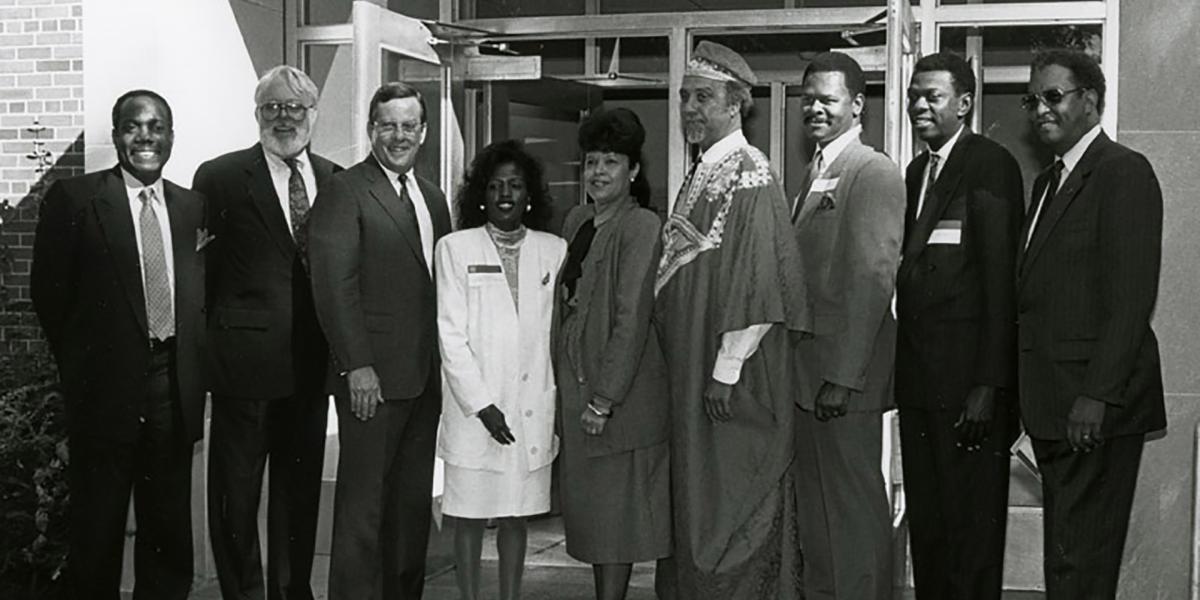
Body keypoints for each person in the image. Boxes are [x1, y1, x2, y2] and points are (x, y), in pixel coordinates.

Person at [31, 90, 206, 600]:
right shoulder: (77, 200)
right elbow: (50, 298)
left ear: (171, 136)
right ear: (115, 136)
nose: (145, 136)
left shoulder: (191, 206)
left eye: (157, 127)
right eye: (133, 126)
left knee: (169, 532)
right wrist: (86, 370)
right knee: (98, 531)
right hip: (103, 393)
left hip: (172, 386)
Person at [654, 40, 809, 599]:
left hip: (729, 381)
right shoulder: (702, 172)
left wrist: (726, 368)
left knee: (729, 505)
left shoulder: (750, 174)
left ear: (736, 104)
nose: (690, 109)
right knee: (700, 502)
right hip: (695, 370)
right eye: (684, 98)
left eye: (703, 97)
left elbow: (760, 280)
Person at [1018, 49, 1164, 599]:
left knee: (1081, 566)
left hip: (1092, 411)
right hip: (1053, 407)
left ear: (1091, 101)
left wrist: (1096, 396)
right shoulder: (1046, 185)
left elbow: (1130, 298)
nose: (1039, 110)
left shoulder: (1123, 171)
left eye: (1053, 97)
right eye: (1033, 100)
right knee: (1066, 561)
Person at [192, 64, 341, 600]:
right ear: (257, 115)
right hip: (243, 370)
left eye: (294, 107)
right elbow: (199, 277)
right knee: (235, 495)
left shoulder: (336, 177)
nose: (284, 118)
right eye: (272, 108)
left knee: (299, 495)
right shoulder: (221, 176)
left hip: (310, 369)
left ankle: (290, 590)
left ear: (313, 115)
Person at [307, 81, 452, 599]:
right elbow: (333, 285)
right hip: (371, 383)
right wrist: (357, 365)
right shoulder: (346, 191)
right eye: (387, 125)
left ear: (424, 132)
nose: (398, 135)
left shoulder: (434, 198)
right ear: (371, 129)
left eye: (408, 125)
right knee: (363, 514)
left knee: (410, 512)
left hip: (423, 381)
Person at [896, 51, 1024, 600]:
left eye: (934, 96)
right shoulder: (917, 170)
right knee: (929, 531)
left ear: (965, 104)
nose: (919, 105)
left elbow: (1001, 282)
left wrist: (988, 385)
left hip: (970, 391)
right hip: (922, 386)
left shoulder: (989, 164)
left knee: (970, 536)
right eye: (913, 95)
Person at [790, 51, 905, 600]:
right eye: (808, 97)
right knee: (816, 515)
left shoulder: (872, 171)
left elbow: (873, 276)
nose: (814, 107)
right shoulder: (813, 174)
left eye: (827, 98)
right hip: (807, 379)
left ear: (857, 105)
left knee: (853, 514)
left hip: (842, 383)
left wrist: (845, 374)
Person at [434, 139, 566, 600]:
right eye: (495, 186)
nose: (505, 194)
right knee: (468, 514)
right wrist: (482, 405)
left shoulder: (554, 249)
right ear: (480, 195)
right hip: (476, 410)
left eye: (515, 185)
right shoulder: (454, 248)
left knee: (515, 515)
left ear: (530, 194)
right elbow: (450, 335)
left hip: (529, 408)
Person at [556, 108, 672, 600]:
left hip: (617, 403)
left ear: (634, 171)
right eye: (591, 162)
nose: (598, 172)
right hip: (576, 392)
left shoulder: (641, 225)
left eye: (611, 162)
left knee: (616, 523)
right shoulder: (577, 219)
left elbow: (631, 317)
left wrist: (604, 399)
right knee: (593, 521)